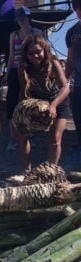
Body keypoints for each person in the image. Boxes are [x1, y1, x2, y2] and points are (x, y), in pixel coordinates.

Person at [16, 35, 70, 171]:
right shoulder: (23, 68)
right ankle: (26, 171)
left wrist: (53, 106)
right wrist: (20, 113)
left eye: (38, 52)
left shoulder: (53, 64)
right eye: (31, 53)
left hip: (57, 101)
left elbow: (66, 87)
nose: (35, 56)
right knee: (21, 135)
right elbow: (24, 91)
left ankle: (51, 171)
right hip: (36, 102)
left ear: (44, 51)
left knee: (55, 139)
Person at [4, 6, 43, 152]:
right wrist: (7, 74)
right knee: (12, 102)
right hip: (16, 70)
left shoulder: (37, 32)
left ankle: (33, 134)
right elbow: (11, 55)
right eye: (19, 19)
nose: (21, 21)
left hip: (32, 70)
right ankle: (13, 137)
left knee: (33, 102)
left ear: (28, 17)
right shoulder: (14, 35)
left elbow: (44, 52)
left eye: (23, 18)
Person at [65, 0, 81, 155]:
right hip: (78, 83)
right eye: (78, 8)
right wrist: (64, 81)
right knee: (78, 116)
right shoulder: (72, 32)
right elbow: (69, 59)